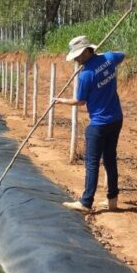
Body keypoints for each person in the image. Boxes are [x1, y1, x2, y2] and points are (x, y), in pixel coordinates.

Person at [54, 35, 125, 213]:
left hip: (99, 123)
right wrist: (101, 57)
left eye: (79, 55)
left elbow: (80, 101)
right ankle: (112, 201)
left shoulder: (86, 75)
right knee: (110, 159)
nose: (76, 59)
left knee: (92, 162)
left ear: (87, 51)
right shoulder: (109, 59)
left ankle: (86, 202)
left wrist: (60, 101)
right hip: (116, 119)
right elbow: (122, 55)